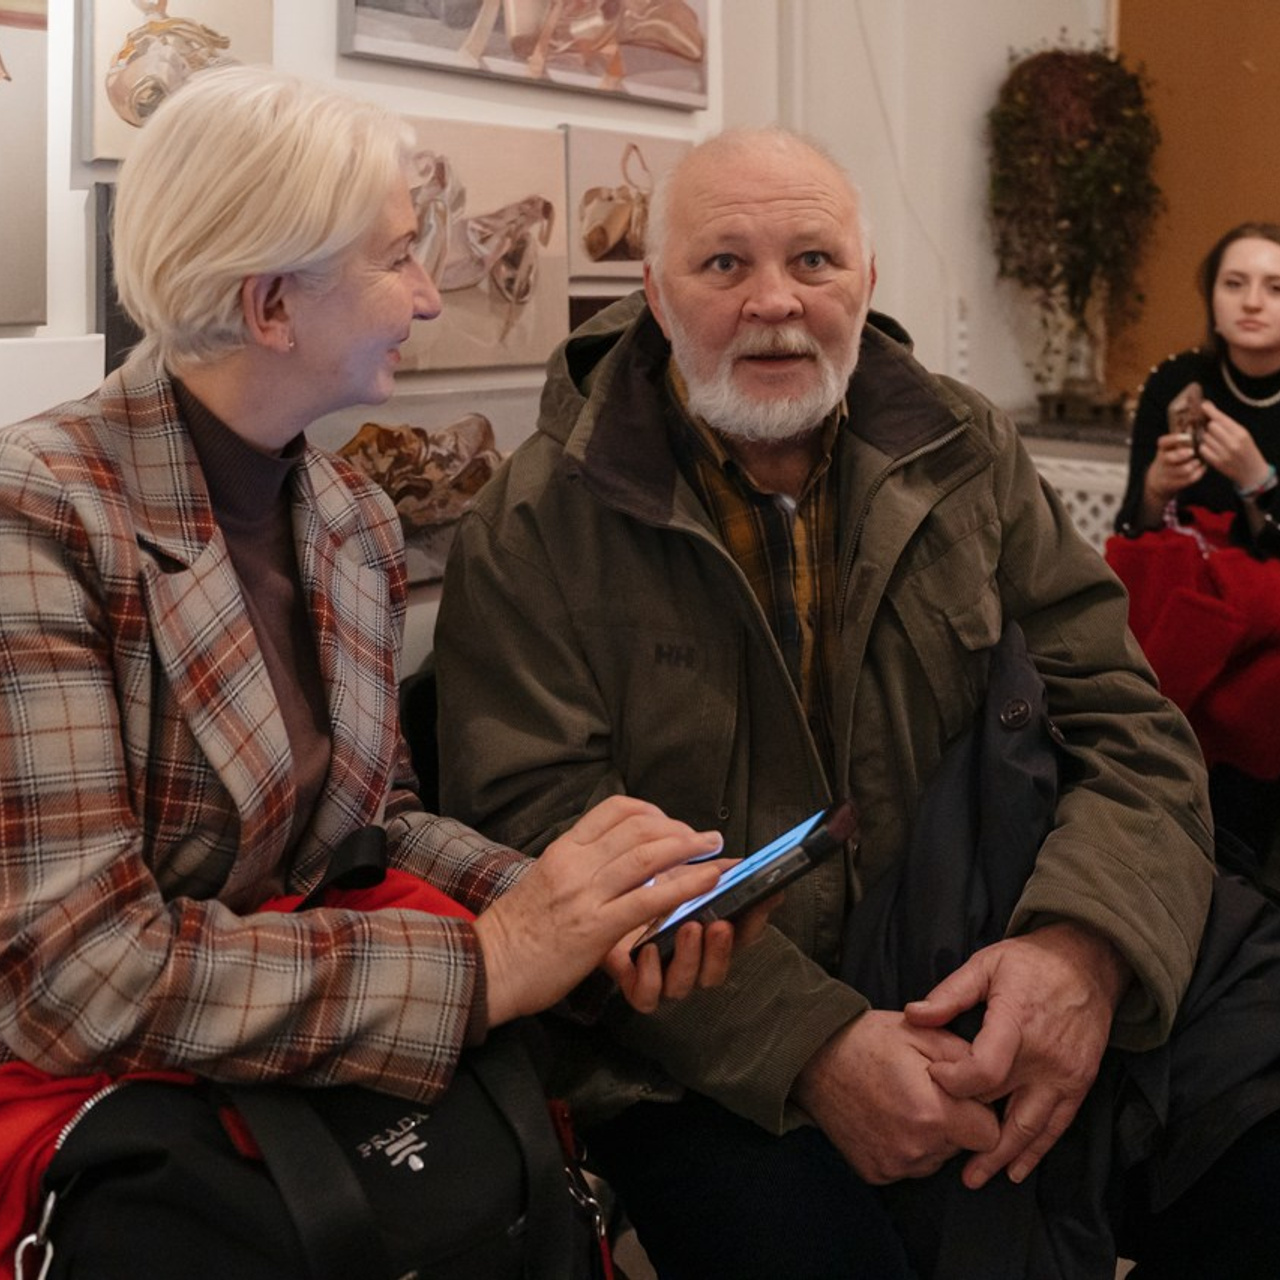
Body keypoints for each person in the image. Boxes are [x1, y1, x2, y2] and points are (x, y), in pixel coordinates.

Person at [434, 127, 1280, 1278]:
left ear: (867, 280)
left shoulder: (963, 447)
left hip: (998, 931)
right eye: (722, 264)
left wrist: (1081, 952)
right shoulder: (536, 522)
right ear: (652, 290)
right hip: (700, 1040)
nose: (774, 302)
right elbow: (535, 829)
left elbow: (1125, 723)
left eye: (814, 261)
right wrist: (813, 1044)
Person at [0, 66, 768, 1277]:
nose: (425, 297)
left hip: (299, 1106)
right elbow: (82, 972)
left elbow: (370, 824)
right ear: (269, 305)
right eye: (397, 259)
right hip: (130, 1142)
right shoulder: (38, 519)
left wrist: (578, 908)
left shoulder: (348, 512)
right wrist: (488, 961)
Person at [1113, 221, 1280, 870]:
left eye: (1273, 286)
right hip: (1188, 603)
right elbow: (1134, 527)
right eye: (1234, 283)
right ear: (1211, 295)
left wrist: (1257, 480)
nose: (1252, 301)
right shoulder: (1176, 381)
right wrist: (1155, 488)